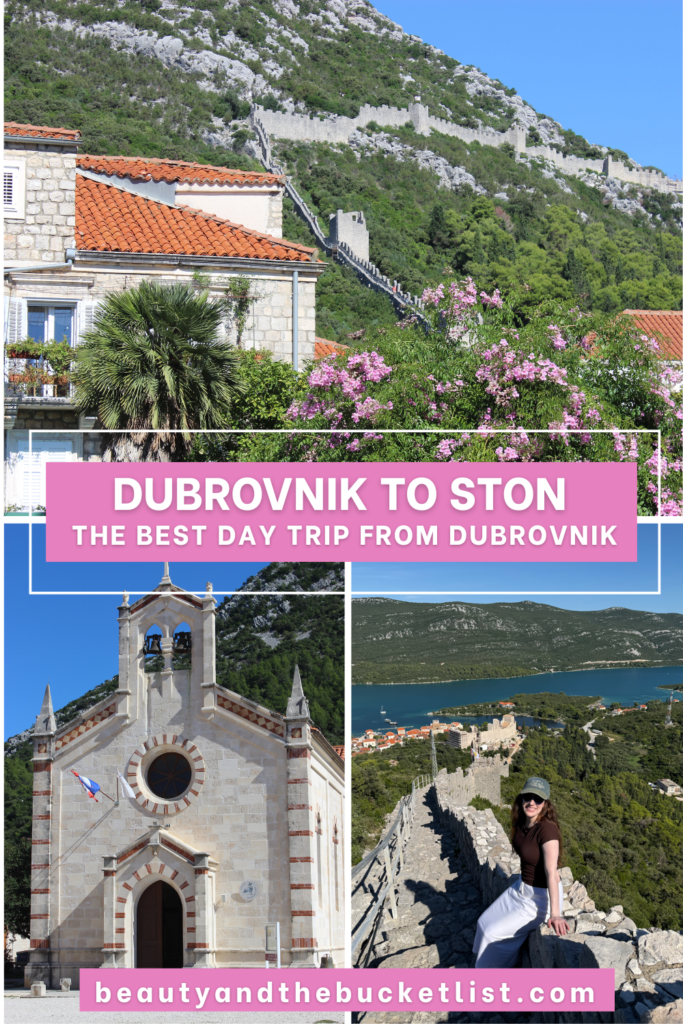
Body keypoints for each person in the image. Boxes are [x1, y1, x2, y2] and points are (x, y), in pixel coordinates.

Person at [473, 776, 569, 968]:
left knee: (492, 934)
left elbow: (552, 872)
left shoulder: (547, 830)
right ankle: (483, 962)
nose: (532, 802)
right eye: (528, 797)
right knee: (483, 922)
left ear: (545, 803)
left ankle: (489, 974)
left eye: (538, 799)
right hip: (520, 889)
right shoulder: (521, 823)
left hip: (540, 898)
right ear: (521, 797)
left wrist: (555, 913)